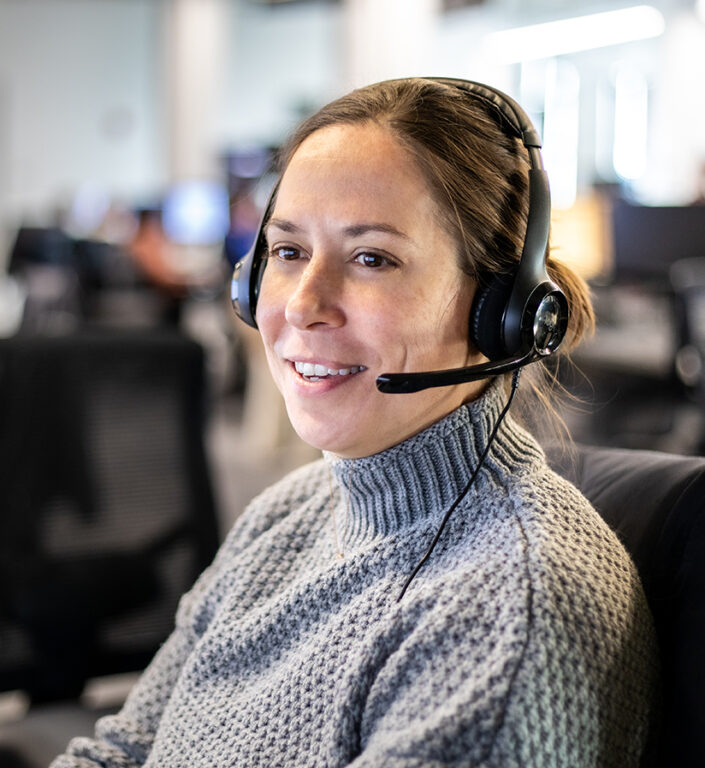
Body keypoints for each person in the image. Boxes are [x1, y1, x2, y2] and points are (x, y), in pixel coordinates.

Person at [51, 77, 658, 768]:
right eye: (287, 252)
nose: (304, 303)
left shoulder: (503, 615)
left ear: (502, 310)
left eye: (371, 258)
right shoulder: (288, 513)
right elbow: (125, 750)